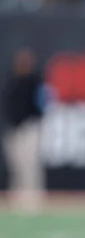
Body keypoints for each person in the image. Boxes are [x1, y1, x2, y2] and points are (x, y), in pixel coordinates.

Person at [2, 47, 46, 212]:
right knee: (16, 166)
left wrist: (36, 120)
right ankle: (18, 201)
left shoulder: (35, 81)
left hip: (29, 128)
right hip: (13, 129)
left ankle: (33, 201)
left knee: (30, 166)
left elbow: (41, 104)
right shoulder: (11, 80)